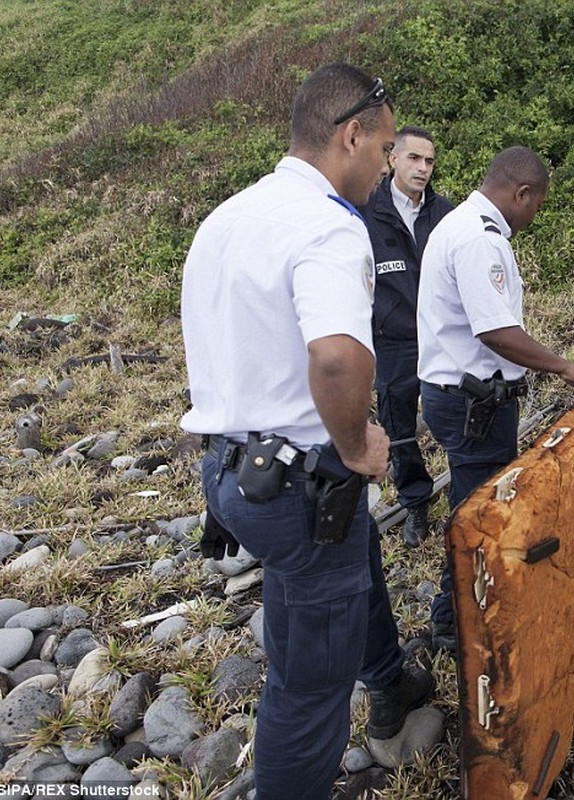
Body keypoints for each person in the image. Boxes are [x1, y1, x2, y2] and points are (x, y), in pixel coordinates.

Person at [180, 64, 434, 800]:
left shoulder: (227, 217)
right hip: (298, 484)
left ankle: (389, 680)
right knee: (307, 684)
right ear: (350, 135)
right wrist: (358, 446)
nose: (389, 165)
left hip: (228, 472)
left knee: (359, 554)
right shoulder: (328, 224)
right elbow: (334, 355)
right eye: (385, 148)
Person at [416, 146, 574, 651]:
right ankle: (455, 621)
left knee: (475, 504)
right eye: (536, 207)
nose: (532, 219)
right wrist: (566, 367)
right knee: (480, 515)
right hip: (473, 404)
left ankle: (456, 612)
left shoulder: (460, 224)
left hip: (464, 396)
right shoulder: (479, 240)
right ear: (521, 193)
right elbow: (497, 331)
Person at [356, 126, 454, 548]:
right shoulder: (365, 212)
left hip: (440, 335)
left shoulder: (444, 213)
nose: (423, 169)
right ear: (392, 158)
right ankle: (416, 502)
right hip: (393, 340)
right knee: (400, 428)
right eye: (415, 158)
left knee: (454, 412)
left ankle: (467, 494)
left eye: (430, 161)